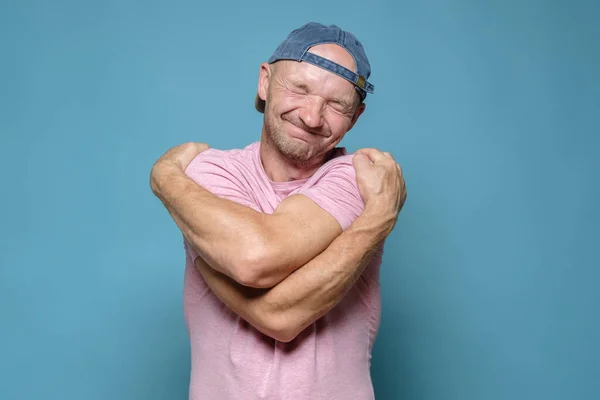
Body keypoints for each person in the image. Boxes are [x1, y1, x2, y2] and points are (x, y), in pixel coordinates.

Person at [150, 22, 407, 400]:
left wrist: (167, 179)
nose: (313, 116)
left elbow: (272, 298)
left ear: (356, 118)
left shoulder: (361, 178)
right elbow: (257, 261)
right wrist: (165, 176)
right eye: (300, 88)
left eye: (337, 104)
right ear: (265, 82)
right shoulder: (211, 172)